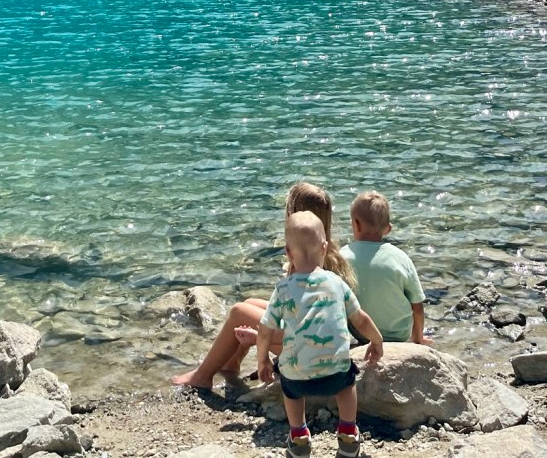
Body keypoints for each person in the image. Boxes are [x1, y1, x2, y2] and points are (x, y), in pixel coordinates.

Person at [171, 181, 341, 389]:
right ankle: (231, 363)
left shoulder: (305, 265)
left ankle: (202, 376)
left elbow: (299, 326)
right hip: (316, 337)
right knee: (250, 302)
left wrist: (261, 340)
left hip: (308, 345)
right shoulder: (328, 256)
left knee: (239, 311)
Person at [257, 210, 383, 458]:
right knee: (348, 385)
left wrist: (262, 360)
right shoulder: (336, 282)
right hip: (335, 372)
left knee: (290, 390)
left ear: (287, 252)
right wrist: (376, 340)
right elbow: (361, 319)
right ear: (325, 248)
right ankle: (348, 433)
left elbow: (265, 329)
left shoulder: (283, 288)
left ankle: (299, 436)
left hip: (296, 376)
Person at [342, 190, 427, 344]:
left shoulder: (343, 256)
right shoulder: (401, 258)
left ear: (356, 224)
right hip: (398, 335)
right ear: (388, 229)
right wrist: (418, 339)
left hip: (361, 332)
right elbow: (417, 305)